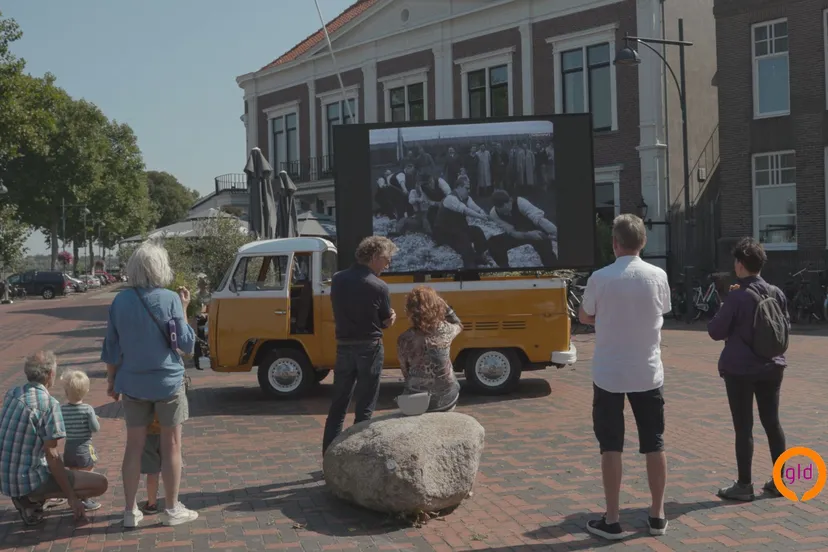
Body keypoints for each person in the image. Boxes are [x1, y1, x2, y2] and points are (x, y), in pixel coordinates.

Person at [579, 214, 671, 540]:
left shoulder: (600, 278)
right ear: (643, 242)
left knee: (611, 445)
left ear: (614, 243)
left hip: (609, 372)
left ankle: (613, 518)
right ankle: (657, 514)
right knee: (654, 442)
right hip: (647, 371)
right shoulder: (658, 275)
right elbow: (661, 311)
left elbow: (586, 314)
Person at [101, 240, 198, 528]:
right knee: (171, 446)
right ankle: (171, 508)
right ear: (160, 267)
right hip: (167, 381)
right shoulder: (169, 299)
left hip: (132, 382)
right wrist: (182, 308)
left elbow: (112, 347)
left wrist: (111, 380)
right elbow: (187, 344)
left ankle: (130, 510)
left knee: (133, 446)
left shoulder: (120, 301)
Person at [707, 237, 789, 501]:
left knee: (744, 427)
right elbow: (785, 326)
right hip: (772, 366)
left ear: (741, 265)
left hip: (740, 370)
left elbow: (715, 331)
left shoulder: (737, 296)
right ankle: (780, 480)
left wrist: (727, 304)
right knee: (772, 423)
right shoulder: (776, 292)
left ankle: (744, 485)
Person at [0, 351, 108, 526]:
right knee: (100, 483)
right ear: (50, 374)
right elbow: (52, 455)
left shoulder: (13, 393)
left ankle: (32, 498)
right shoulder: (48, 404)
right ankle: (32, 499)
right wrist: (72, 497)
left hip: (6, 477)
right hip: (27, 480)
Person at [322, 236, 398, 454]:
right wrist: (391, 319)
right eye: (386, 259)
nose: (387, 264)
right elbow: (384, 321)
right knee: (365, 406)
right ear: (374, 257)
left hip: (344, 347)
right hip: (369, 347)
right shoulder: (379, 286)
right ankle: (356, 456)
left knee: (338, 405)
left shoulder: (338, 279)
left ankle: (329, 456)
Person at [397, 286, 463, 412]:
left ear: (410, 310)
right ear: (437, 307)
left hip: (417, 399)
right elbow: (458, 324)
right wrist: (445, 306)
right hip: (446, 399)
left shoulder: (404, 339)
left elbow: (406, 372)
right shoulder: (445, 330)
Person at [60, 370, 102, 511]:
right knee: (87, 473)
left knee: (73, 474)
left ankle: (75, 497)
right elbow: (95, 428)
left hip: (69, 447)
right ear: (86, 391)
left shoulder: (62, 409)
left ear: (66, 391)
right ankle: (86, 499)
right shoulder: (87, 409)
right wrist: (95, 419)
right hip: (84, 446)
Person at [487, 190, 558, 268]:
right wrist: (528, 235)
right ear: (496, 207)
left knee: (547, 255)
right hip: (520, 233)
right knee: (494, 243)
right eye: (504, 213)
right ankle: (505, 269)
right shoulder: (493, 214)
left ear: (510, 200)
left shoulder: (520, 202)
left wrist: (555, 232)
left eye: (508, 209)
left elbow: (539, 219)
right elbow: (512, 232)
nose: (507, 213)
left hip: (536, 231)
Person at [432, 177, 490, 269]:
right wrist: (480, 217)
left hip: (457, 229)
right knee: (464, 241)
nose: (469, 190)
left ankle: (479, 256)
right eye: (467, 188)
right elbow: (465, 210)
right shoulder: (450, 198)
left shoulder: (466, 198)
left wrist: (481, 211)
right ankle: (470, 265)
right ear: (459, 187)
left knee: (477, 231)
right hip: (445, 231)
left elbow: (474, 206)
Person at [140, 413, 163, 514]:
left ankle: (152, 503)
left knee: (152, 470)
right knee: (170, 465)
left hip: (148, 429)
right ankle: (173, 503)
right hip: (167, 428)